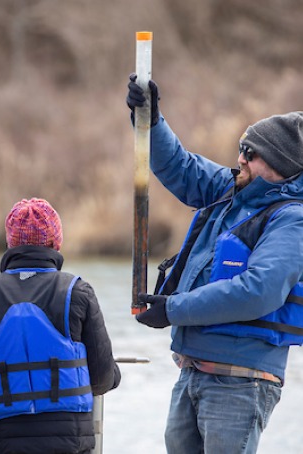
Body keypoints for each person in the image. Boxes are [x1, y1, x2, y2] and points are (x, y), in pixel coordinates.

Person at [127, 74, 303, 454]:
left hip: (241, 383)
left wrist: (172, 309)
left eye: (252, 153)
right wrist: (151, 119)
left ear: (280, 165)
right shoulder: (232, 190)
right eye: (243, 148)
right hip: (192, 371)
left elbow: (260, 290)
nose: (241, 158)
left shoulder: (293, 219)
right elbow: (179, 166)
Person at [0, 197, 121, 454]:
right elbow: (101, 378)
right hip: (69, 442)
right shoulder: (77, 290)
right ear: (56, 242)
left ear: (11, 243)